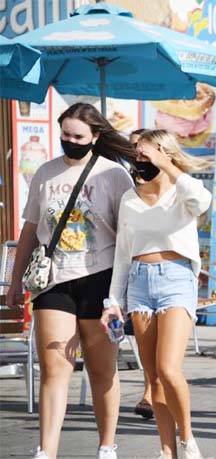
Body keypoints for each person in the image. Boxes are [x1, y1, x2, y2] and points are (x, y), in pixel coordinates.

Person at [7, 103, 135, 459]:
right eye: (65, 135)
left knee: (101, 368)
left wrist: (123, 291)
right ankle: (46, 449)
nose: (70, 141)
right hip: (54, 279)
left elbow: (127, 233)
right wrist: (15, 281)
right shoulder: (46, 173)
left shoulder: (113, 175)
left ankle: (107, 445)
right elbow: (31, 229)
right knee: (53, 366)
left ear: (95, 137)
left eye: (78, 137)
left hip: (101, 278)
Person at [103, 129, 211, 459]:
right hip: (138, 281)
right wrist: (113, 302)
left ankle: (188, 438)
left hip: (176, 279)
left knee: (168, 368)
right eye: (136, 155)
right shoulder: (130, 198)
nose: (139, 161)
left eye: (144, 155)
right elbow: (122, 253)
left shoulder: (183, 192)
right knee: (153, 376)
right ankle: (167, 452)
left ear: (165, 154)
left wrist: (169, 167)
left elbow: (203, 202)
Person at [127, 128, 154, 422]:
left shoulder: (166, 181)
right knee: (140, 335)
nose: (136, 154)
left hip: (157, 269)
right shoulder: (122, 179)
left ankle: (150, 391)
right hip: (126, 265)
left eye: (141, 148)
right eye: (132, 148)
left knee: (151, 336)